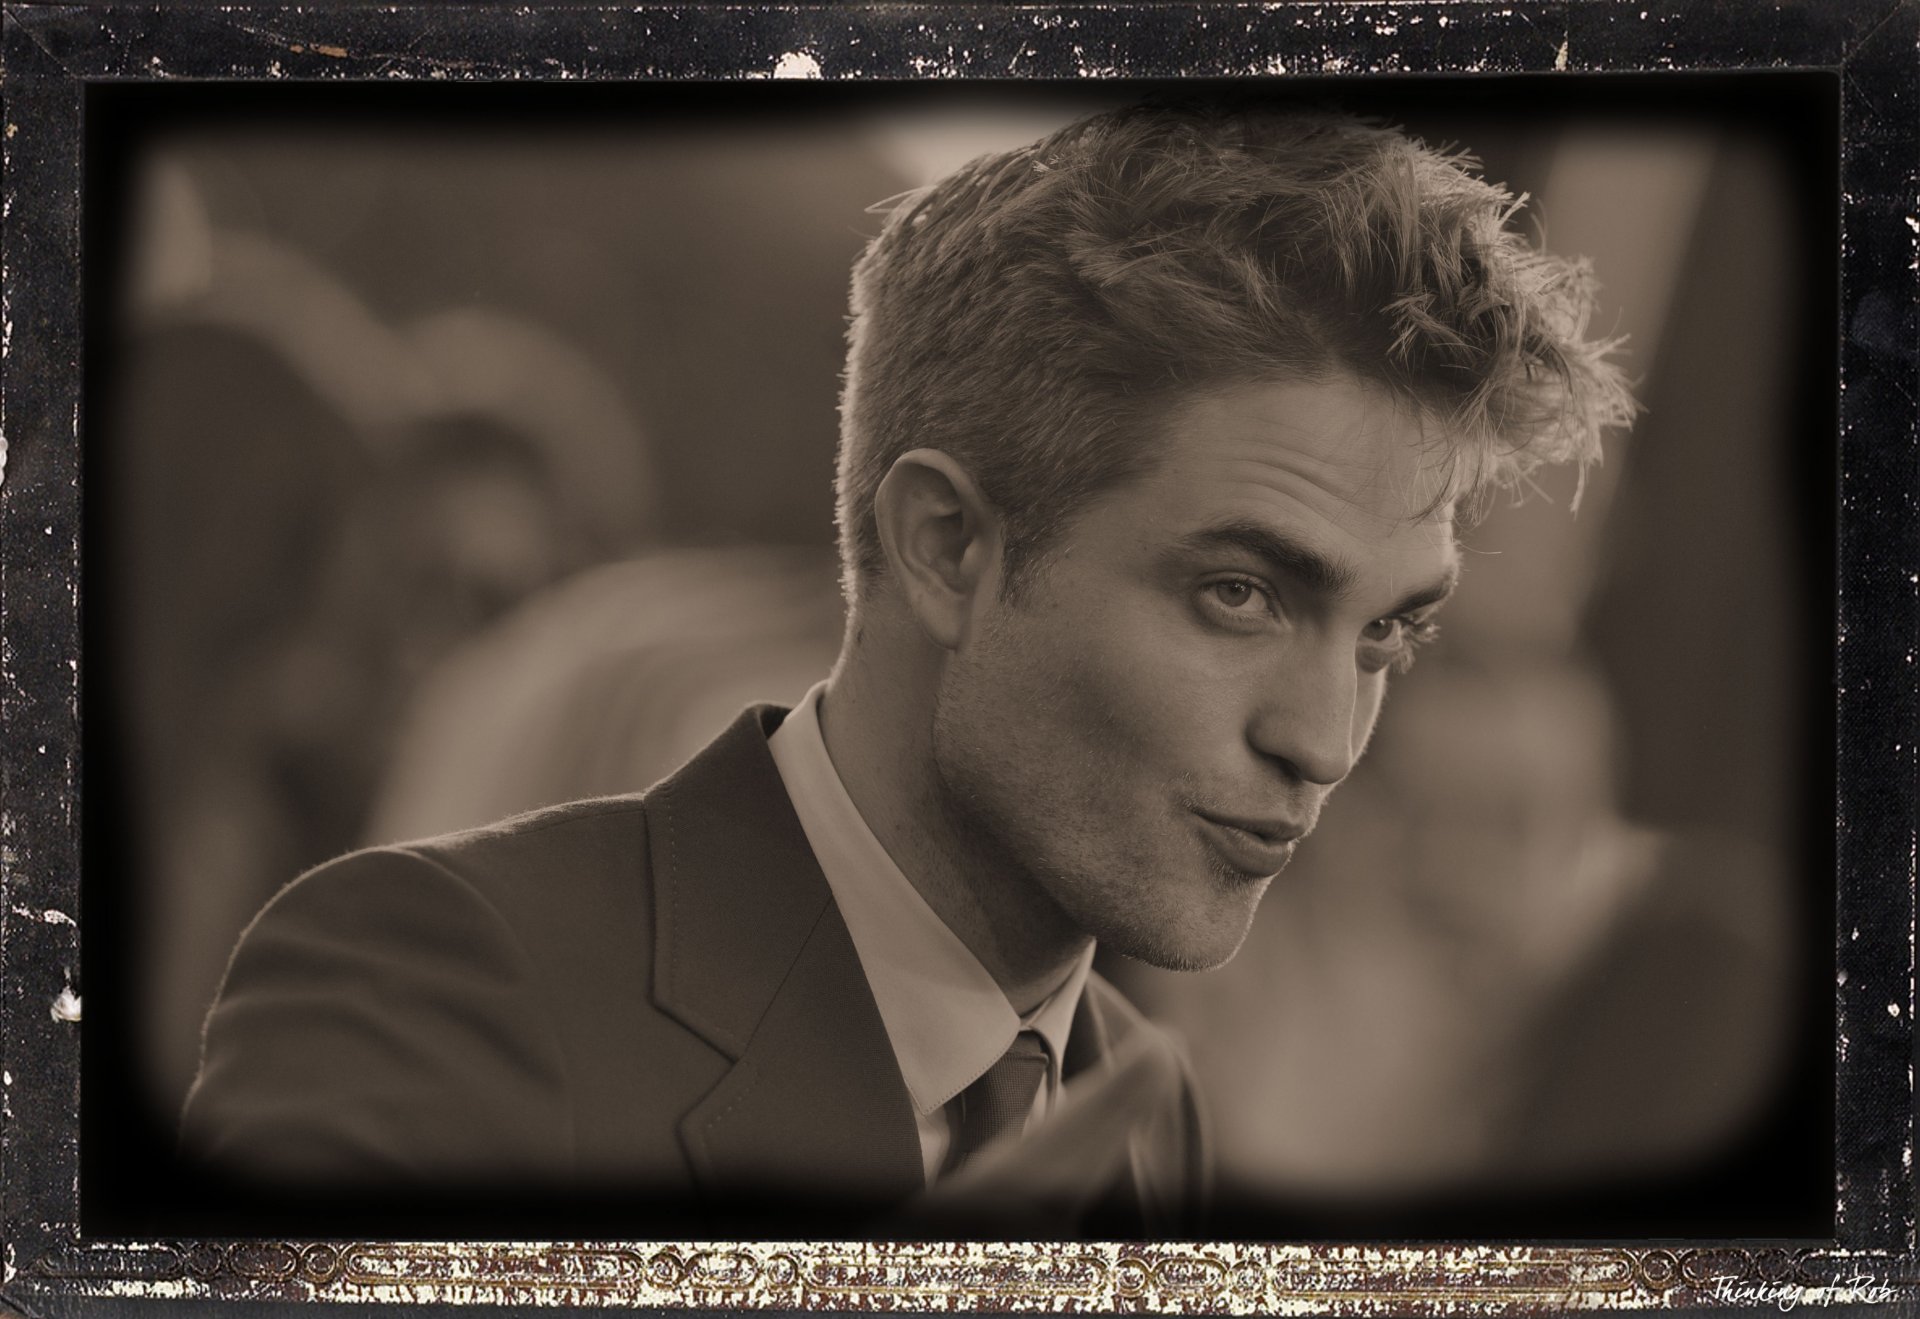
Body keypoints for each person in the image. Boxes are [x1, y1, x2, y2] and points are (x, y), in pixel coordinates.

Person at [179, 101, 1634, 1238]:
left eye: (1389, 633)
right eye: (1241, 595)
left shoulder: (1140, 1111)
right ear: (945, 547)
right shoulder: (437, 980)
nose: (1326, 741)